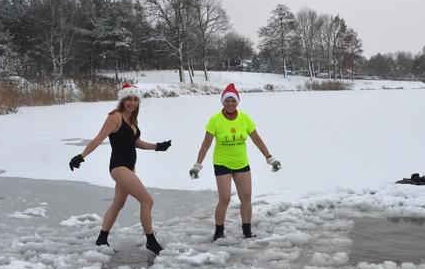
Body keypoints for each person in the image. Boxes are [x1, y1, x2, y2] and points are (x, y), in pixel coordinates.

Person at [69, 83, 171, 255]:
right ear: (122, 100)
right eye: (129, 99)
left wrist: (157, 146)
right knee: (147, 201)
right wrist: (81, 155)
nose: (132, 103)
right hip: (119, 167)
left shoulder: (131, 119)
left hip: (130, 167)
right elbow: (99, 138)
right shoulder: (115, 117)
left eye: (135, 100)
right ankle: (151, 241)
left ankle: (102, 239)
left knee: (118, 204)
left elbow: (135, 142)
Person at [189, 83, 281, 241]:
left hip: (241, 164)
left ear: (237, 102)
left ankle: (247, 231)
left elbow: (257, 139)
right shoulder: (215, 120)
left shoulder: (244, 118)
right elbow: (206, 144)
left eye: (233, 101)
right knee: (224, 198)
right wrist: (197, 165)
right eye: (227, 101)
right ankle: (219, 231)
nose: (230, 104)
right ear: (222, 102)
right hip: (222, 163)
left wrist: (269, 157)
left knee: (246, 197)